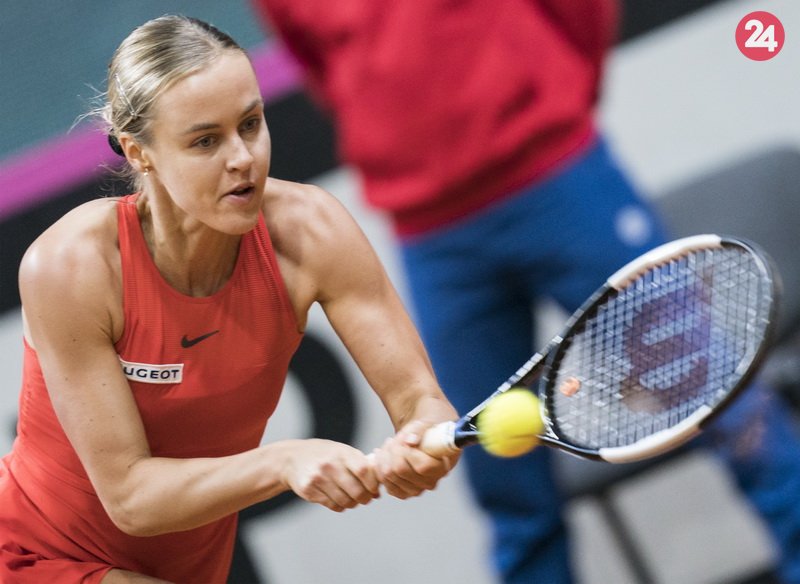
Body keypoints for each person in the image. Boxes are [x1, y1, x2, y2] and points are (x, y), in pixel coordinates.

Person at [252, 1, 800, 582]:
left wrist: (551, 104)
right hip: (432, 236)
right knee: (505, 485)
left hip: (559, 178)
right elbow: (321, 65)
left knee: (724, 408)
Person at [0, 15, 461, 583]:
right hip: (30, 552)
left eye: (250, 123)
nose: (242, 157)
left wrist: (425, 444)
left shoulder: (312, 231)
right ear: (139, 153)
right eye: (205, 141)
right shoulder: (71, 266)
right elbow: (131, 498)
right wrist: (284, 460)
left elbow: (420, 400)